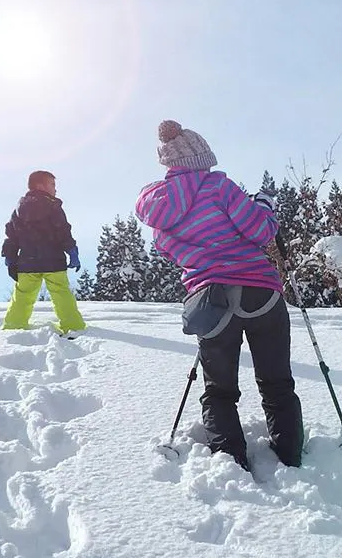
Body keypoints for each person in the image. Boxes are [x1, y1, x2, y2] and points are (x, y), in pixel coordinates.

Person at [134, 120, 303, 470]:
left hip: (210, 302)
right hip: (260, 292)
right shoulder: (219, 187)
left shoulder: (158, 214)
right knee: (277, 384)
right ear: (200, 157)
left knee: (219, 391)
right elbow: (261, 231)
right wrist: (265, 206)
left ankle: (231, 463)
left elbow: (167, 250)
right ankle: (291, 459)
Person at [0, 170, 87, 336]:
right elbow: (63, 231)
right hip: (53, 260)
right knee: (61, 293)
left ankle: (13, 326)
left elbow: (12, 236)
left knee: (23, 295)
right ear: (40, 186)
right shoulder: (53, 207)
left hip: (27, 262)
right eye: (52, 184)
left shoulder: (19, 209)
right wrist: (72, 251)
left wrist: (10, 258)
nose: (55, 189)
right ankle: (73, 325)